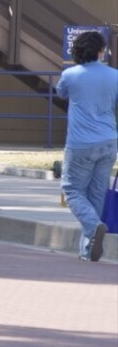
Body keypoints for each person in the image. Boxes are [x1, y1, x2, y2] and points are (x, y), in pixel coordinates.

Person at [56, 31, 117, 262]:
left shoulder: (70, 75)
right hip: (109, 140)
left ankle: (93, 226)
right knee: (96, 194)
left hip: (80, 143)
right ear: (101, 51)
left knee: (71, 190)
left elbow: (60, 93)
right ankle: (87, 249)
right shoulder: (115, 76)